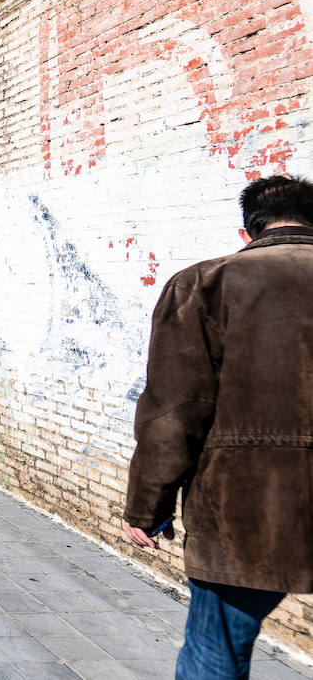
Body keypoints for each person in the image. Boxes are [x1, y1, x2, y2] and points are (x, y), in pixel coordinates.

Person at [123, 174, 313, 679]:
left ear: (248, 232)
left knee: (217, 653)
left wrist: (146, 508)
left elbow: (174, 412)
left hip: (244, 512)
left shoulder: (206, 284)